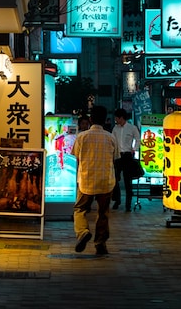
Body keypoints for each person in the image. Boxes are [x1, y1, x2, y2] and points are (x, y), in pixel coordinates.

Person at [72, 103, 120, 257]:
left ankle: (82, 232)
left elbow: (76, 158)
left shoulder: (82, 137)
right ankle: (100, 244)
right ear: (105, 119)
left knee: (80, 210)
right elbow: (115, 159)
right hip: (106, 182)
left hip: (86, 180)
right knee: (103, 213)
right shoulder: (111, 137)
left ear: (91, 119)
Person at [111, 107, 142, 211]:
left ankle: (128, 204)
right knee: (115, 179)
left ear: (121, 118)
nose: (115, 120)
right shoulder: (115, 129)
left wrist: (134, 149)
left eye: (116, 118)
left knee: (127, 180)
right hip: (117, 155)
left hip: (128, 155)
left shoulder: (132, 128)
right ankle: (117, 200)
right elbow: (113, 141)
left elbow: (138, 139)